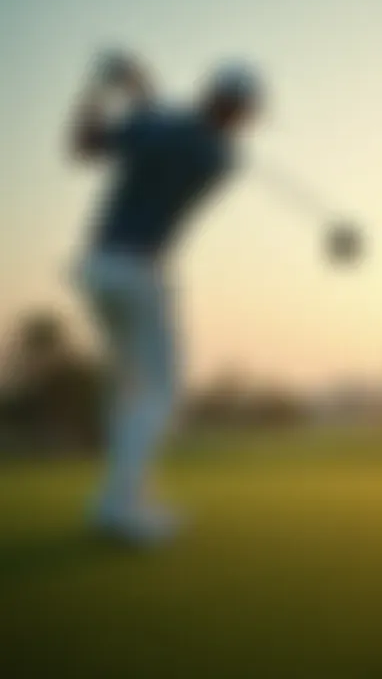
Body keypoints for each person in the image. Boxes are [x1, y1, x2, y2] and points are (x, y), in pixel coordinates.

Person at [69, 50, 262, 545]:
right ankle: (120, 509)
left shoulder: (170, 132)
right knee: (162, 390)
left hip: (95, 267)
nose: (244, 121)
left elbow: (82, 145)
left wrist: (102, 87)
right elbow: (172, 126)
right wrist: (140, 89)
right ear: (240, 113)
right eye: (245, 112)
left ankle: (124, 498)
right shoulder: (222, 158)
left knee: (132, 389)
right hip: (137, 272)